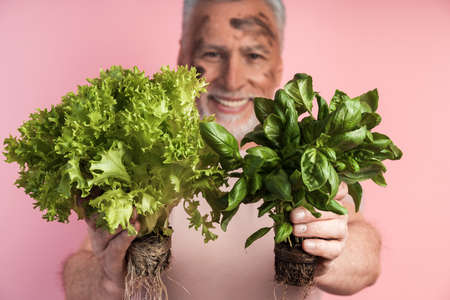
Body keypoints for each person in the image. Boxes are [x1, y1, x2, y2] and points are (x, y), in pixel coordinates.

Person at [63, 0, 381, 299]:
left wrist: (329, 256)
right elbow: (81, 267)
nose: (232, 79)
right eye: (213, 53)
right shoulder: (146, 152)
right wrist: (107, 278)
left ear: (279, 64)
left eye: (254, 55)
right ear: (183, 57)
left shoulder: (304, 153)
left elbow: (366, 254)